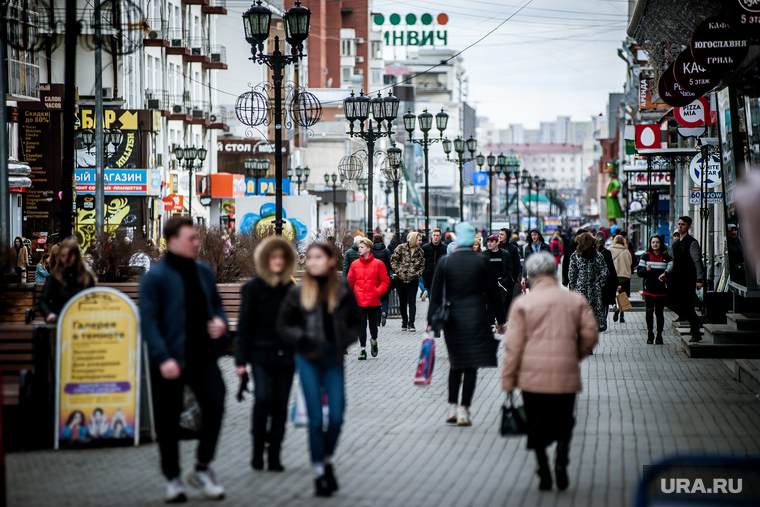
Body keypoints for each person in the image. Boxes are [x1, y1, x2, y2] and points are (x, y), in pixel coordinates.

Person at [139, 217, 229, 502]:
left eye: (196, 237)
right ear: (173, 240)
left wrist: (220, 322)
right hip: (169, 360)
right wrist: (163, 357)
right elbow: (149, 322)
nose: (196, 242)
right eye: (191, 238)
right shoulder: (155, 277)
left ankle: (202, 467)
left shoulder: (203, 270)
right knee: (167, 421)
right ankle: (173, 478)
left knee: (215, 405)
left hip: (202, 356)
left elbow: (216, 305)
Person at [502, 252, 598, 491]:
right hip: (565, 374)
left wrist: (508, 378)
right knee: (564, 419)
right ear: (554, 272)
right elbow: (590, 334)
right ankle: (561, 459)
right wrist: (575, 355)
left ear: (532, 275)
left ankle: (543, 470)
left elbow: (512, 346)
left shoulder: (523, 304)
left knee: (536, 422)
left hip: (531, 378)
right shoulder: (574, 300)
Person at [277, 243, 363, 497]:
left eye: (318, 257)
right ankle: (318, 471)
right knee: (315, 419)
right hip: (308, 359)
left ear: (330, 261)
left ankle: (325, 459)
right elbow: (283, 325)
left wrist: (342, 341)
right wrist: (301, 338)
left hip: (333, 359)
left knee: (336, 416)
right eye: (309, 258)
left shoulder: (343, 290)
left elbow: (356, 323)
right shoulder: (298, 292)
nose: (312, 262)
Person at [428, 222, 506, 427]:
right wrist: (501, 320)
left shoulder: (446, 262)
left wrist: (430, 323)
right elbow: (493, 294)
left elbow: (435, 296)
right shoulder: (481, 262)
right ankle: (464, 410)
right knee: (471, 365)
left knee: (456, 363)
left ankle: (452, 407)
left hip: (451, 320)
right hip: (477, 318)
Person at [235, 237, 296, 472]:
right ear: (265, 260)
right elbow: (244, 326)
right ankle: (257, 449)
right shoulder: (253, 288)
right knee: (262, 398)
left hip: (286, 357)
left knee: (280, 406)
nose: (277, 262)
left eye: (281, 257)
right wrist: (241, 361)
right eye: (273, 257)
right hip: (260, 354)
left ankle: (274, 455)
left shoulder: (291, 290)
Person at [660, 216, 704, 342]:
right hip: (675, 277)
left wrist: (699, 279)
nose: (680, 226)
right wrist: (666, 273)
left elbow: (697, 261)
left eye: (683, 224)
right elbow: (673, 262)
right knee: (669, 302)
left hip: (688, 278)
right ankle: (694, 320)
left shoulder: (692, 242)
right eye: (679, 224)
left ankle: (695, 332)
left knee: (687, 305)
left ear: (689, 227)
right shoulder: (676, 243)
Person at [347, 238, 390, 360]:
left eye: (361, 247)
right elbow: (350, 281)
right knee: (361, 325)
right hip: (359, 300)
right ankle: (362, 349)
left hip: (373, 300)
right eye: (359, 247)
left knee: (372, 325)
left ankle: (374, 341)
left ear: (368, 249)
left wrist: (377, 292)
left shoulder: (378, 264)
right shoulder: (354, 264)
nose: (359, 249)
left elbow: (385, 281)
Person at [39, 238, 96, 324]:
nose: (66, 259)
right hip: (59, 320)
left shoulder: (86, 277)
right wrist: (49, 314)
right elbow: (43, 301)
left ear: (76, 256)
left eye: (70, 255)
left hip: (81, 321)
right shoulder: (55, 276)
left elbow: (93, 302)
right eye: (63, 255)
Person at [568, 232, 609, 331]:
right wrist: (599, 282)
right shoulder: (597, 255)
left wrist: (573, 286)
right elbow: (605, 272)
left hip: (580, 286)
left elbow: (572, 274)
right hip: (594, 286)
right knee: (595, 308)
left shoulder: (575, 256)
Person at [637, 236, 672, 344]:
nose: (655, 244)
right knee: (649, 311)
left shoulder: (667, 258)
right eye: (653, 242)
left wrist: (665, 275)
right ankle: (650, 333)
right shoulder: (645, 256)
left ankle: (659, 335)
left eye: (657, 242)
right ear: (650, 244)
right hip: (649, 289)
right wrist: (646, 270)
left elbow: (670, 271)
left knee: (659, 312)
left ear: (661, 244)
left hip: (661, 289)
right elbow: (639, 272)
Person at [390, 231, 425, 332]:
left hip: (413, 280)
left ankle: (411, 323)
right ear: (413, 239)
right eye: (419, 240)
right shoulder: (401, 248)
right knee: (402, 302)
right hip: (401, 279)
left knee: (412, 302)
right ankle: (404, 321)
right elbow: (393, 260)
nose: (420, 242)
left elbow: (422, 266)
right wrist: (398, 272)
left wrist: (417, 274)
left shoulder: (420, 252)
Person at [482, 234, 514, 320]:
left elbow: (510, 268)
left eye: (492, 241)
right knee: (489, 303)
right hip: (488, 283)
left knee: (501, 303)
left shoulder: (505, 254)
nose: (489, 243)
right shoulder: (484, 254)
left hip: (501, 282)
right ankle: (492, 322)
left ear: (497, 242)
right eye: (488, 241)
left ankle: (501, 321)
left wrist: (505, 280)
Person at [595, 232, 618, 330]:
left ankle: (597, 322)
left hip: (596, 280)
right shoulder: (607, 252)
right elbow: (611, 268)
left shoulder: (592, 253)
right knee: (604, 302)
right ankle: (603, 320)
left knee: (597, 302)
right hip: (607, 280)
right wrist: (615, 281)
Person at [370, 233, 393, 326]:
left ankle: (377, 320)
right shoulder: (386, 251)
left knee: (376, 298)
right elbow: (391, 264)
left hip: (373, 277)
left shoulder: (370, 251)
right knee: (385, 297)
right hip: (384, 277)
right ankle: (384, 312)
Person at [610, 235, 633, 324]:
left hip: (613, 277)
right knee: (622, 295)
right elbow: (630, 263)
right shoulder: (626, 251)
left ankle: (615, 306)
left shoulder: (610, 250)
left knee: (612, 293)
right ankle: (622, 315)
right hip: (624, 277)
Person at [421, 228, 448, 302]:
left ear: (440, 237)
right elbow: (422, 262)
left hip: (441, 278)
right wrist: (424, 273)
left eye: (437, 235)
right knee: (431, 300)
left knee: (441, 300)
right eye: (434, 235)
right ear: (431, 236)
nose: (435, 237)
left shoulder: (445, 248)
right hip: (429, 277)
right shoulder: (425, 248)